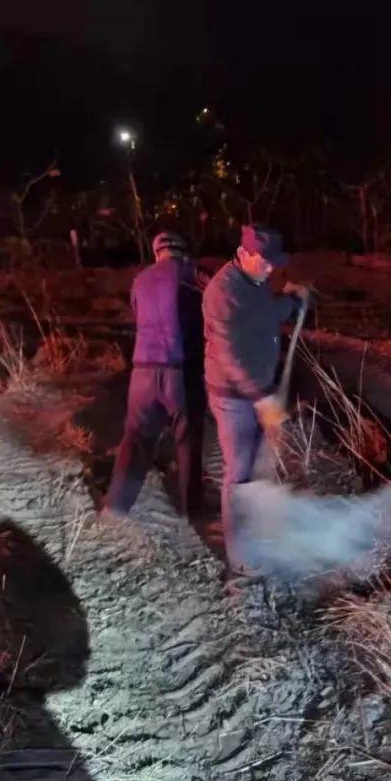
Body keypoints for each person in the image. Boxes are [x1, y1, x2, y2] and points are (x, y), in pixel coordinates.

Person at [202, 224, 309, 568]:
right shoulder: (222, 292)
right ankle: (240, 559)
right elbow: (229, 355)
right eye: (264, 261)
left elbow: (267, 316)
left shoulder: (256, 281)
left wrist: (291, 300)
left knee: (260, 466)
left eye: (273, 262)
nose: (270, 268)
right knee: (238, 473)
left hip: (260, 389)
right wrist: (260, 399)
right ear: (243, 253)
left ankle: (257, 532)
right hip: (234, 397)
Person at [105, 231, 205, 519]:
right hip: (180, 371)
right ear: (183, 252)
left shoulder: (140, 279)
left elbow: (139, 314)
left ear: (157, 253)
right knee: (187, 440)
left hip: (143, 373)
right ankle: (190, 513)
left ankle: (116, 507)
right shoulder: (191, 274)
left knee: (135, 440)